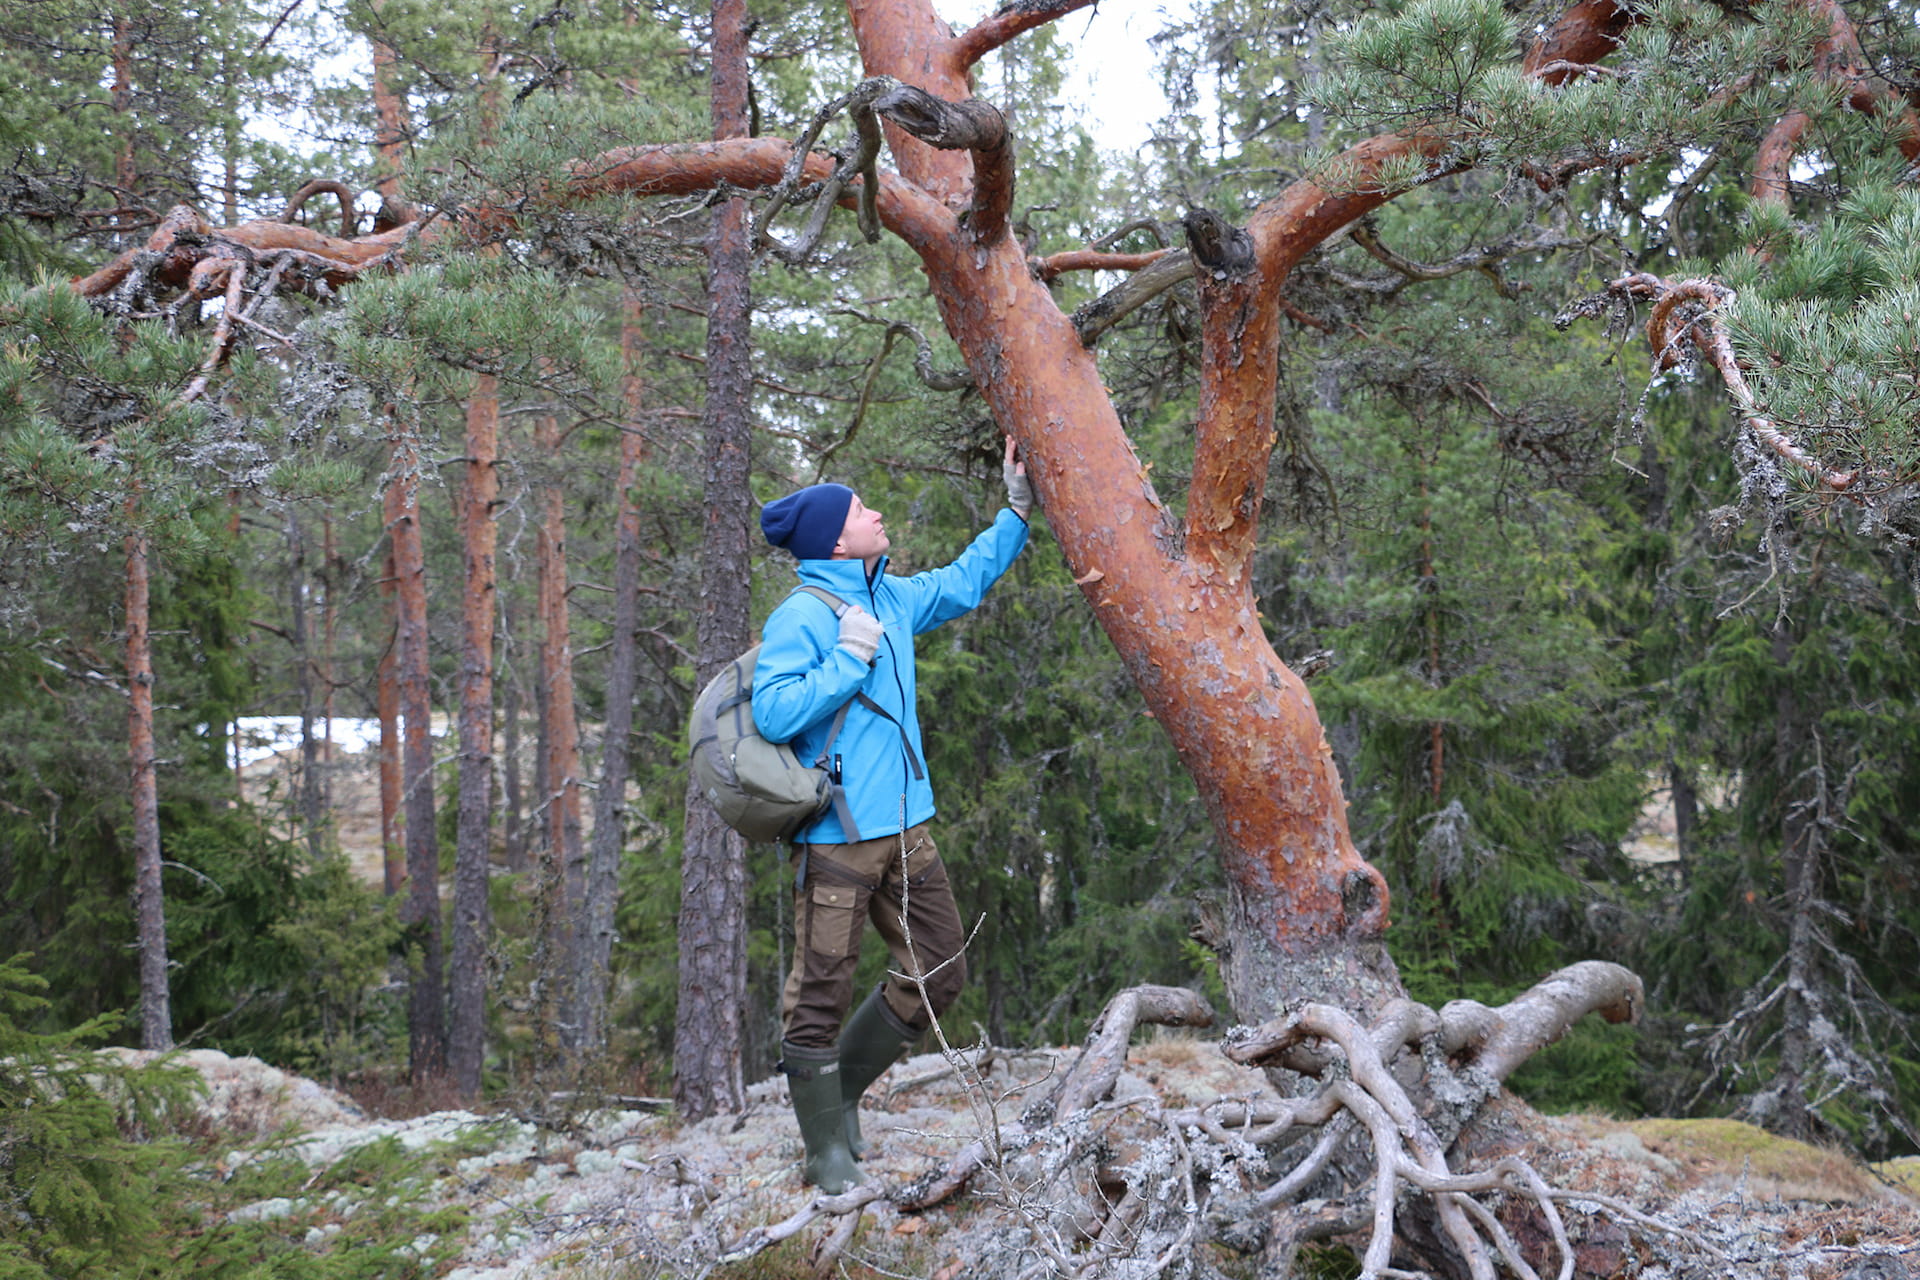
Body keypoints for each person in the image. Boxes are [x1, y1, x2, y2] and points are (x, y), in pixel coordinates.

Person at [752, 437, 1035, 1193]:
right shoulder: (804, 615)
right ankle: (825, 1151)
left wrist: (1016, 508)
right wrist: (846, 659)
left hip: (907, 828)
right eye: (862, 509)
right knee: (820, 991)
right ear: (836, 540)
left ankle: (841, 1090)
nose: (876, 513)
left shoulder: (893, 595)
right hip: (836, 837)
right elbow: (775, 712)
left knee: (940, 968)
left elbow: (964, 580)